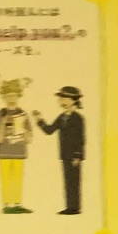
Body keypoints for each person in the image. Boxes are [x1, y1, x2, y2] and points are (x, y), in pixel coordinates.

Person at [35, 86, 87, 215]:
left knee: (74, 181)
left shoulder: (77, 118)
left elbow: (81, 138)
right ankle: (70, 206)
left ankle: (75, 207)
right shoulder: (62, 117)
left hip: (74, 155)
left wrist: (78, 155)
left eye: (64, 98)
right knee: (68, 181)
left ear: (73, 100)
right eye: (61, 98)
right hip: (64, 154)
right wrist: (39, 120)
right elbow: (49, 130)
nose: (61, 101)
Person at [0, 76, 32, 213]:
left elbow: (29, 138)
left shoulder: (23, 113)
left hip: (19, 151)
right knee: (6, 179)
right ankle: (7, 205)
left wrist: (21, 127)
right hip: (4, 151)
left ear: (19, 96)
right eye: (8, 96)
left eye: (14, 96)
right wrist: (3, 122)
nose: (11, 99)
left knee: (18, 179)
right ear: (3, 97)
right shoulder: (0, 114)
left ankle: (17, 203)